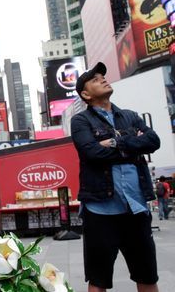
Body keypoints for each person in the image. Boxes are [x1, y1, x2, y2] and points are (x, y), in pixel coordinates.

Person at [71, 62, 160, 292]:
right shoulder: (80, 121)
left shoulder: (130, 116)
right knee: (98, 280)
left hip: (136, 209)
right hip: (100, 211)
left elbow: (153, 141)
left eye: (102, 75)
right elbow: (90, 151)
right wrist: (132, 143)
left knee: (148, 276)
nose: (102, 78)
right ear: (85, 94)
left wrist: (114, 142)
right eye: (95, 79)